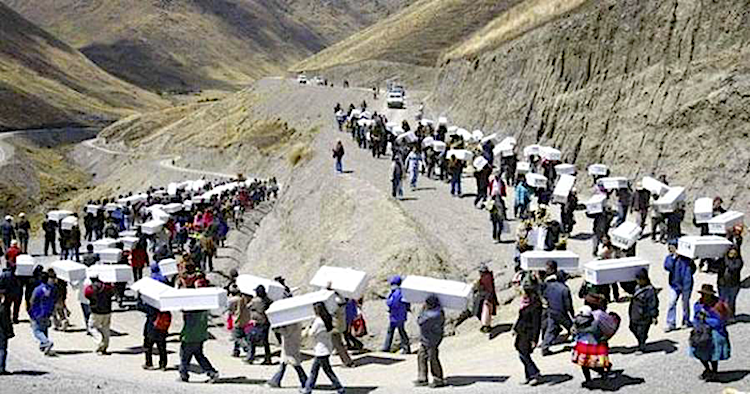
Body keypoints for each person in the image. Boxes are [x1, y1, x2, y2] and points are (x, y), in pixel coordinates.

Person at [302, 302, 346, 394]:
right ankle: (308, 388)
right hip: (326, 347)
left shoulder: (318, 321)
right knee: (315, 370)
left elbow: (311, 333)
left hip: (320, 350)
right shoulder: (327, 318)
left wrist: (308, 328)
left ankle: (339, 387)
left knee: (326, 371)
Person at [689, 284, 731, 381]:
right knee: (697, 349)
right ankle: (707, 369)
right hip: (701, 330)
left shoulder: (718, 305)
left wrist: (706, 320)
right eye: (703, 294)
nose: (703, 297)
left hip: (715, 331)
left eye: (705, 294)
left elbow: (720, 321)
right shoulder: (699, 304)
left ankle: (714, 371)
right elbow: (695, 317)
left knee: (713, 351)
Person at [571, 294, 613, 387]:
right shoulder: (600, 315)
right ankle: (604, 373)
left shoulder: (579, 317)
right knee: (600, 361)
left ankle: (589, 379)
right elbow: (606, 328)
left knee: (584, 363)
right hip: (598, 342)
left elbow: (573, 330)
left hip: (582, 344)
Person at [540, 261, 574, 356]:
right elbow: (568, 305)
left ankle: (545, 347)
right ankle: (580, 344)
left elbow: (545, 297)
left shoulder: (548, 286)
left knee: (551, 329)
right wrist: (572, 315)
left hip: (551, 311)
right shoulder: (565, 289)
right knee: (572, 328)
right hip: (561, 313)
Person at [513, 280, 542, 386]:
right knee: (521, 354)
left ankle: (535, 373)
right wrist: (515, 328)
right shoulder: (524, 304)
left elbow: (536, 324)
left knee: (524, 354)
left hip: (528, 334)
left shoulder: (535, 307)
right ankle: (528, 375)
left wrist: (534, 339)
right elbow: (520, 317)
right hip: (521, 332)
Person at [179, 309, 219, 383]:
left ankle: (183, 375)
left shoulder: (190, 313)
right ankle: (211, 372)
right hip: (200, 337)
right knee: (200, 356)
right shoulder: (204, 312)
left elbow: (187, 324)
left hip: (189, 338)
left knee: (184, 357)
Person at [664, 240, 696, 332]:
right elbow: (667, 267)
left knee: (685, 303)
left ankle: (686, 321)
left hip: (686, 284)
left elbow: (693, 270)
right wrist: (674, 258)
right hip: (674, 285)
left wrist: (691, 262)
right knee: (671, 302)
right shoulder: (670, 258)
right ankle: (670, 323)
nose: (670, 249)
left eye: (672, 246)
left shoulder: (686, 259)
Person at [414, 295, 446, 388]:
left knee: (433, 358)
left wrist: (422, 310)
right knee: (421, 356)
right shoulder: (439, 311)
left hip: (431, 340)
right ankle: (422, 377)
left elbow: (420, 321)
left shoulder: (433, 315)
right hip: (427, 339)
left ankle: (438, 379)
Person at [267, 323, 307, 389]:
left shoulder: (292, 324)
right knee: (285, 364)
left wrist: (277, 330)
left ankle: (305, 381)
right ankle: (275, 381)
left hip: (290, 346)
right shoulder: (296, 322)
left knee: (295, 365)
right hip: (290, 345)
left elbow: (286, 333)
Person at [628, 269, 659, 353]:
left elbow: (653, 304)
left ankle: (641, 346)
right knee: (632, 328)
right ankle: (642, 339)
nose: (637, 281)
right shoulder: (637, 287)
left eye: (639, 279)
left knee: (641, 331)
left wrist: (654, 316)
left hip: (644, 315)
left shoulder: (650, 291)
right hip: (635, 314)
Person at [85, 273, 115, 355]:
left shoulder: (90, 288)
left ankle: (99, 340)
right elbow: (112, 293)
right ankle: (105, 346)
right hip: (107, 311)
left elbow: (86, 295)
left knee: (91, 327)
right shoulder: (107, 287)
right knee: (106, 329)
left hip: (96, 311)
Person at [28, 271, 55, 355]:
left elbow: (32, 300)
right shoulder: (50, 288)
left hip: (38, 312)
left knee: (37, 331)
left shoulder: (38, 289)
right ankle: (44, 346)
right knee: (44, 328)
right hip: (47, 311)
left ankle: (46, 342)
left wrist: (30, 310)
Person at [139, 298, 171, 371]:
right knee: (162, 348)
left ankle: (149, 363)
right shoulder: (165, 307)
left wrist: (139, 297)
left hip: (151, 330)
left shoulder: (151, 307)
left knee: (148, 347)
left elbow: (139, 306)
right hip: (162, 331)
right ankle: (163, 365)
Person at [382, 275, 411, 354]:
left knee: (396, 331)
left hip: (396, 315)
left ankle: (387, 348)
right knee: (398, 331)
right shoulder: (403, 291)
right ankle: (405, 348)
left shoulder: (396, 292)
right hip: (400, 314)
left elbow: (392, 302)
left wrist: (387, 302)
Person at [716, 247, 743, 321]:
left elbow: (732, 267)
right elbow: (715, 266)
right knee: (722, 300)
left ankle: (731, 316)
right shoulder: (722, 261)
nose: (733, 255)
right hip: (722, 284)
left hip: (733, 285)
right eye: (731, 253)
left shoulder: (738, 261)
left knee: (731, 301)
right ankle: (721, 316)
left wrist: (725, 258)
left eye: (734, 254)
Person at [248, 285, 273, 365]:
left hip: (256, 322)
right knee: (265, 341)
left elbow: (248, 306)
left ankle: (251, 357)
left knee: (251, 339)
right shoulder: (268, 300)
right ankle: (268, 358)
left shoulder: (255, 300)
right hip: (266, 322)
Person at [473, 264, 499, 333]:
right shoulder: (485, 277)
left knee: (486, 313)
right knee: (482, 312)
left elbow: (489, 289)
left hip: (487, 298)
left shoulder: (487, 278)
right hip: (484, 297)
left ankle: (486, 327)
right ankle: (486, 325)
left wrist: (487, 299)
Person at [0, 292, 13, 374]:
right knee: (2, 349)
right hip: (2, 331)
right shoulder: (3, 308)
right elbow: (6, 321)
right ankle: (1, 368)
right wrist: (9, 332)